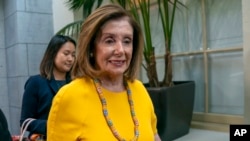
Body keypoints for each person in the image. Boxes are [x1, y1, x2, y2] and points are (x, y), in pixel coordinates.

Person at [47, 4, 161, 141]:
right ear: (91, 47)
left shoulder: (140, 90)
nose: (120, 50)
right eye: (109, 41)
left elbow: (154, 136)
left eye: (127, 41)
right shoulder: (69, 97)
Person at [20, 35, 76, 139]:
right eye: (66, 53)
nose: (70, 59)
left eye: (73, 55)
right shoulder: (36, 83)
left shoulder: (76, 83)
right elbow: (24, 122)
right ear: (53, 53)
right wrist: (53, 125)